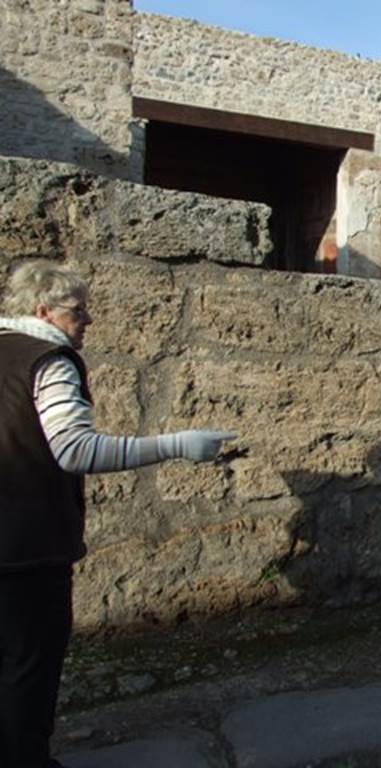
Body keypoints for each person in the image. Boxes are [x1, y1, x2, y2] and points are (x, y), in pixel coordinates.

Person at [0, 260, 236, 768]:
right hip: (26, 548)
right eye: (77, 310)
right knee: (26, 673)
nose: (87, 320)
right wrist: (178, 444)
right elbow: (75, 449)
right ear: (43, 312)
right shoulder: (48, 360)